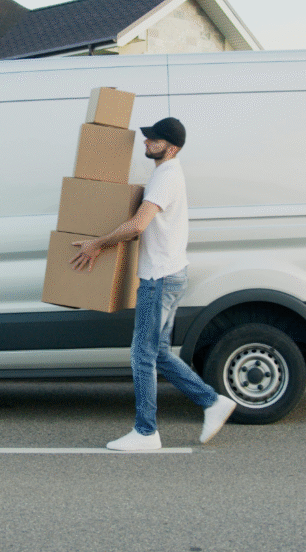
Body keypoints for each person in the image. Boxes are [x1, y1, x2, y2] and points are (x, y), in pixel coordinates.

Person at [71, 117, 236, 451]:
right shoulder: (166, 174)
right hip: (170, 273)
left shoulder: (167, 175)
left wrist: (97, 243)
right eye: (147, 138)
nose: (146, 142)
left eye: (153, 140)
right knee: (157, 352)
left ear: (170, 148)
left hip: (159, 278)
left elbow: (137, 225)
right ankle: (212, 401)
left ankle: (146, 432)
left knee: (141, 354)